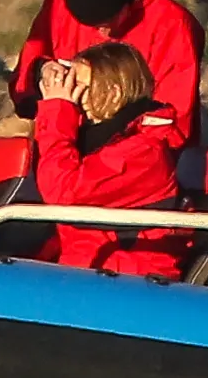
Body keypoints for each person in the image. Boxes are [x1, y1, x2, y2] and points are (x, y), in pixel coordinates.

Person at [28, 38, 194, 280]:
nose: (68, 92)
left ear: (113, 95)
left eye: (78, 84)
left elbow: (62, 190)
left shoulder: (144, 152)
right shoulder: (90, 141)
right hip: (86, 267)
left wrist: (57, 110)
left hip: (126, 277)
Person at [9, 0, 205, 138]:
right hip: (61, 153)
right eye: (91, 25)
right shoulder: (59, 5)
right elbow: (22, 90)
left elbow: (173, 125)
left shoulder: (172, 27)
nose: (102, 32)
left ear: (129, 2)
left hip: (136, 160)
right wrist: (41, 72)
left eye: (108, 22)